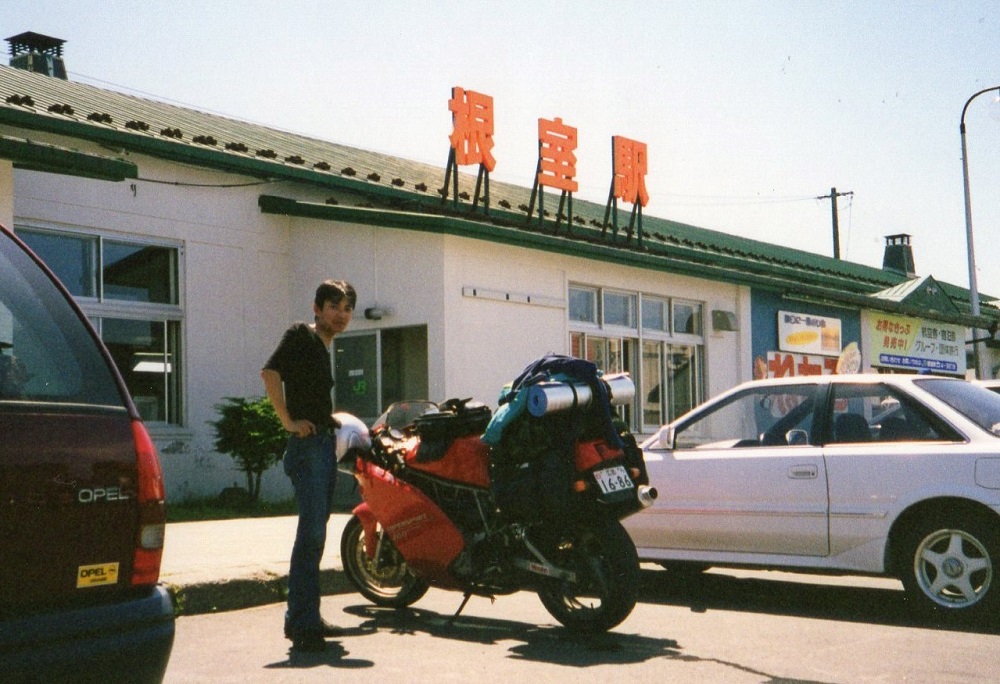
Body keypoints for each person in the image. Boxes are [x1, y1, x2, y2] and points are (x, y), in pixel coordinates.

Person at [261, 279, 356, 652]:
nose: (341, 314)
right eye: (334, 306)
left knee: (316, 532)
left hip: (322, 444)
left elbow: (309, 392)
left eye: (347, 308)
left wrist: (331, 422)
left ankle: (308, 617)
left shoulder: (323, 346)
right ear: (317, 308)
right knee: (311, 533)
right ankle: (301, 623)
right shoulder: (301, 334)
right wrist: (287, 421)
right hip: (307, 448)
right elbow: (270, 373)